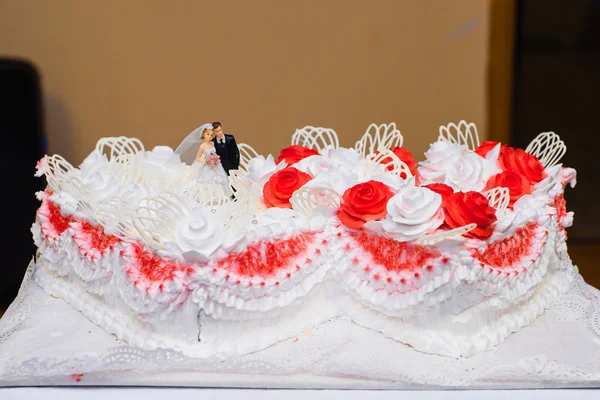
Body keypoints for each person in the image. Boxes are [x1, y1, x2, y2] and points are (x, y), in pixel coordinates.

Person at [174, 123, 232, 197]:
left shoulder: (212, 143)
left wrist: (216, 159)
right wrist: (206, 161)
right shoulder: (202, 146)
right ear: (203, 134)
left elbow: (216, 152)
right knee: (208, 181)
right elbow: (198, 158)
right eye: (208, 134)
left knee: (220, 180)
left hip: (216, 166)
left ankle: (221, 196)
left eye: (211, 135)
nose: (210, 136)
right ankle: (208, 197)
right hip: (207, 166)